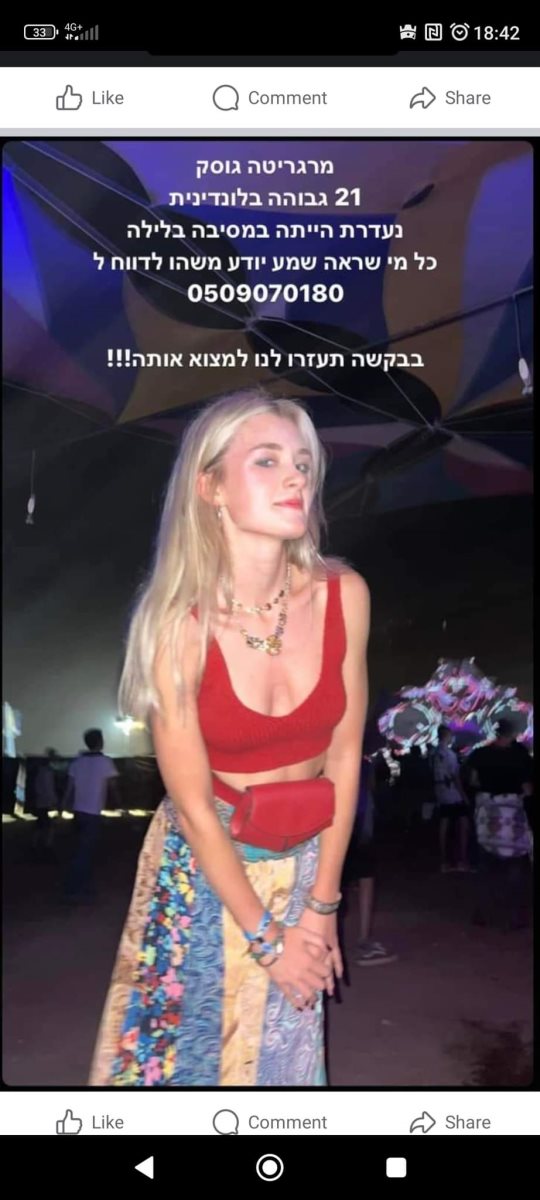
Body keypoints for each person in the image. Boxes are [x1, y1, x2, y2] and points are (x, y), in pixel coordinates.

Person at [89, 388, 370, 1087]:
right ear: (210, 486)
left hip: (307, 861)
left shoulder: (345, 594)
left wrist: (322, 907)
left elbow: (343, 756)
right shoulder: (177, 625)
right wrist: (266, 940)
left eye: (302, 462)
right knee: (189, 1062)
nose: (295, 477)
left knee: (282, 1063)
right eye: (267, 460)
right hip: (204, 868)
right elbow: (191, 808)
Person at [466, 719, 533, 930]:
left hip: (487, 812)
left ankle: (482, 912)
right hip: (512, 812)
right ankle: (515, 916)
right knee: (515, 864)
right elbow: (528, 788)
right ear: (512, 734)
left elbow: (473, 781)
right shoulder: (520, 755)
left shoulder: (480, 754)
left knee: (485, 863)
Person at [343, 755, 397, 966]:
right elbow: (370, 788)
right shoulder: (364, 763)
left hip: (334, 825)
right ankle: (363, 940)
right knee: (365, 877)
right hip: (357, 825)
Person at [63, 729, 119, 902]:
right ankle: (77, 888)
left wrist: (63, 806)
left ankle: (77, 886)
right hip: (93, 812)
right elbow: (113, 787)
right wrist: (119, 803)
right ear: (100, 742)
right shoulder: (106, 762)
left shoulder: (77, 762)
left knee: (80, 849)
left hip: (78, 810)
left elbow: (69, 788)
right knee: (86, 851)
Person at [432, 726, 471, 872]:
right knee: (463, 823)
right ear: (447, 736)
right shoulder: (449, 754)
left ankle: (444, 860)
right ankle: (462, 860)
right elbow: (455, 777)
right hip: (452, 793)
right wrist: (464, 796)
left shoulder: (433, 753)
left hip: (440, 791)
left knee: (444, 823)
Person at [33, 747, 58, 853]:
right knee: (50, 825)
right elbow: (49, 789)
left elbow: (38, 787)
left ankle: (35, 843)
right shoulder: (48, 772)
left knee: (40, 824)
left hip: (40, 802)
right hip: (46, 802)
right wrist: (54, 801)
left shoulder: (40, 771)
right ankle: (48, 845)